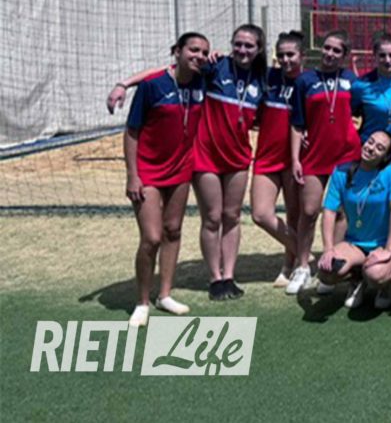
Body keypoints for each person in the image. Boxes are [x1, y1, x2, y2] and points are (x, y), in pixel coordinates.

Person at [108, 24, 269, 300]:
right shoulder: (215, 66)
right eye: (238, 44)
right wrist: (124, 83)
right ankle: (215, 278)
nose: (242, 50)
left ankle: (229, 276)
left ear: (259, 49)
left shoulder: (262, 78)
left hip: (239, 157)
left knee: (232, 217)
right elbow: (165, 71)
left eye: (249, 45)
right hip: (205, 155)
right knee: (212, 217)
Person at [123, 32, 209, 326]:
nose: (199, 56)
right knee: (151, 237)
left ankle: (165, 295)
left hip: (181, 170)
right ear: (177, 51)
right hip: (148, 172)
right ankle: (142, 302)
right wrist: (132, 175)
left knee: (173, 230)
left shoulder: (201, 81)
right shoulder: (152, 85)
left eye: (204, 52)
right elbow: (132, 131)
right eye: (193, 50)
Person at [287, 30, 362, 294]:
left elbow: (363, 110)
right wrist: (295, 158)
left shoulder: (352, 80)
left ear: (345, 55)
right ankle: (302, 266)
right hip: (315, 155)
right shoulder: (305, 80)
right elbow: (297, 124)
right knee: (309, 212)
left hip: (347, 155)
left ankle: (333, 266)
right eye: (327, 48)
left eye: (336, 50)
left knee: (341, 212)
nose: (330, 54)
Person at [315, 130, 391, 309]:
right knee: (326, 272)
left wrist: (389, 249)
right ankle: (357, 279)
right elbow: (329, 212)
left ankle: (385, 286)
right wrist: (328, 249)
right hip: (355, 243)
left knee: (376, 275)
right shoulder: (341, 172)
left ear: (386, 156)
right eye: (370, 142)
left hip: (383, 242)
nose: (371, 148)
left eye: (380, 148)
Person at [251, 31, 304, 288]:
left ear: (302, 56)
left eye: (290, 54)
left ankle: (289, 266)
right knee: (260, 214)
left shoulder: (308, 82)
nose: (285, 60)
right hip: (266, 156)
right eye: (281, 55)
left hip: (296, 159)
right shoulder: (268, 77)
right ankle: (305, 256)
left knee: (294, 215)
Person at [352, 34, 391, 157]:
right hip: (371, 150)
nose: (387, 60)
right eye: (382, 55)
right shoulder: (361, 85)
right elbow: (348, 115)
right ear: (374, 57)